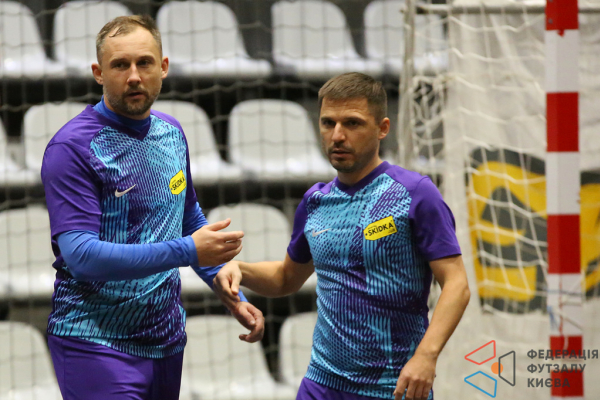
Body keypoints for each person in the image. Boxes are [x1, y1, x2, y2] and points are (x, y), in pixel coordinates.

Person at [40, 15, 264, 400]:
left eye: (144, 63)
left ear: (163, 67)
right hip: (94, 342)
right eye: (120, 65)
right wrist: (188, 251)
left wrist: (229, 292)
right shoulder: (72, 148)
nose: (134, 76)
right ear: (98, 73)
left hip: (166, 341)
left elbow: (186, 218)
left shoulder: (171, 132)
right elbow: (81, 257)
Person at [213, 72, 470, 400]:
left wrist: (426, 356)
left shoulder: (415, 193)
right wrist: (241, 269)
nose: (337, 135)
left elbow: (457, 285)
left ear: (382, 128)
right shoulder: (315, 201)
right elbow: (286, 278)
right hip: (320, 384)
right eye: (328, 123)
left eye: (352, 123)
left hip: (391, 387)